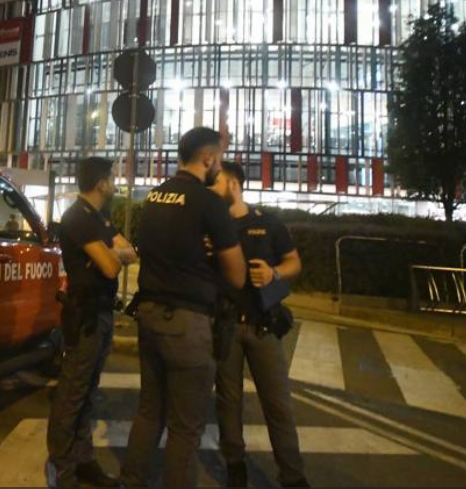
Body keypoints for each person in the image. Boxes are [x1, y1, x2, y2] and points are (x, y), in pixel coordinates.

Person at [120, 128, 247, 488]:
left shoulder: (156, 196)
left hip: (149, 315)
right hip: (188, 324)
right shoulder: (209, 203)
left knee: (149, 413)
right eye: (218, 161)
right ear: (207, 158)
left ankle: (131, 481)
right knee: (185, 429)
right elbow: (237, 276)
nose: (218, 168)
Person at [210, 162, 307, 488]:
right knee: (228, 402)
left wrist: (274, 273)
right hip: (225, 326)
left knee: (278, 404)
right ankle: (235, 465)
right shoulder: (212, 227)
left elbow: (294, 262)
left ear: (234, 184)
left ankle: (292, 476)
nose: (212, 187)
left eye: (218, 181)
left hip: (263, 327)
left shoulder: (268, 223)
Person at [46, 157, 139, 488]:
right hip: (84, 316)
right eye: (112, 178)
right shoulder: (77, 216)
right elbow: (112, 266)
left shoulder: (99, 217)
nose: (115, 183)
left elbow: (128, 251)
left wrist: (114, 253)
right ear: (102, 183)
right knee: (72, 393)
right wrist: (113, 255)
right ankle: (61, 469)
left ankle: (83, 461)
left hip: (101, 314)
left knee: (88, 391)